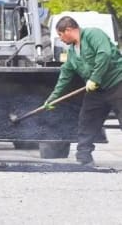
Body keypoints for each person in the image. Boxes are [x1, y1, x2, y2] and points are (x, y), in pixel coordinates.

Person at [44, 16, 122, 166]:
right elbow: (64, 77)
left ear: (68, 30)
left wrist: (95, 78)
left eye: (60, 35)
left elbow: (104, 54)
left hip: (117, 83)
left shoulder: (93, 34)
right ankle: (84, 157)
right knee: (87, 120)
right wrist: (52, 98)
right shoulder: (72, 52)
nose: (60, 39)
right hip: (97, 91)